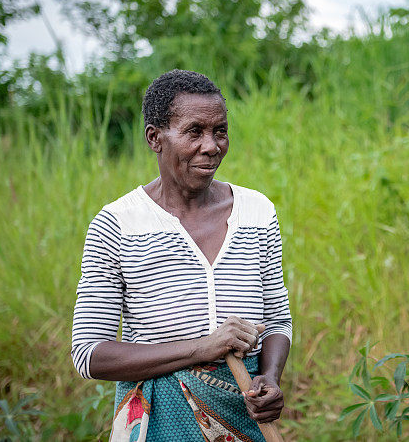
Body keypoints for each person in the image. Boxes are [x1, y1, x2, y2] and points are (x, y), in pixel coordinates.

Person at [71, 69, 292, 441]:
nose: (211, 146)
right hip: (159, 421)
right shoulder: (119, 224)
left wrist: (268, 379)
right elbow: (90, 354)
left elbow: (277, 323)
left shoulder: (257, 212)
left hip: (243, 417)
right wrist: (200, 348)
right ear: (155, 138)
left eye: (219, 131)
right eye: (194, 131)